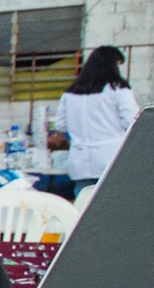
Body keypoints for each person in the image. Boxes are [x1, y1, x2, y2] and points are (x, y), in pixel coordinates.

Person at [56, 46, 141, 195]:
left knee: (84, 205)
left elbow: (60, 125)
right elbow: (132, 121)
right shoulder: (118, 89)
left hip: (80, 164)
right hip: (111, 160)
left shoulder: (70, 93)